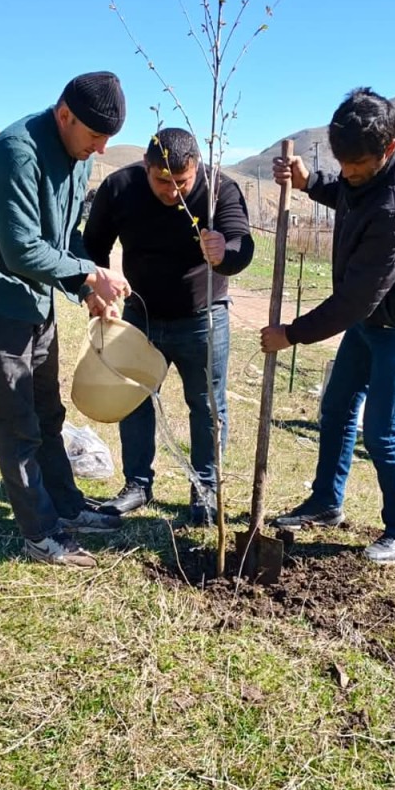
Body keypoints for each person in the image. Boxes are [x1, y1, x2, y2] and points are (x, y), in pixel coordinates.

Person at [261, 87, 395, 565]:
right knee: (337, 405)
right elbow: (353, 192)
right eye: (341, 162)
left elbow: (355, 299)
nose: (347, 173)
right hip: (376, 310)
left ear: (388, 148)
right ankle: (326, 501)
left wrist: (293, 333)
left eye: (356, 165)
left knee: (382, 429)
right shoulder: (371, 161)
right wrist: (312, 183)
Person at [0, 71, 133, 568]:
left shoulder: (77, 157)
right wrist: (88, 273)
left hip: (37, 306)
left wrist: (85, 287)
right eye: (95, 136)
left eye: (108, 140)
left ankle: (68, 508)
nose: (100, 150)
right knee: (18, 427)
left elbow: (64, 235)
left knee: (48, 415)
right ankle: (41, 534)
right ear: (64, 116)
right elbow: (20, 249)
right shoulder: (17, 153)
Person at [84, 128, 254, 526]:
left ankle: (205, 490)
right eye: (162, 180)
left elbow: (242, 244)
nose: (173, 191)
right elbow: (93, 245)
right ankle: (138, 485)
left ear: (196, 168)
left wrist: (224, 253)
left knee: (207, 406)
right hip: (140, 318)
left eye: (182, 182)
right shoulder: (120, 187)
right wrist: (96, 286)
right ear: (146, 167)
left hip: (202, 319)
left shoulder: (219, 190)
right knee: (135, 400)